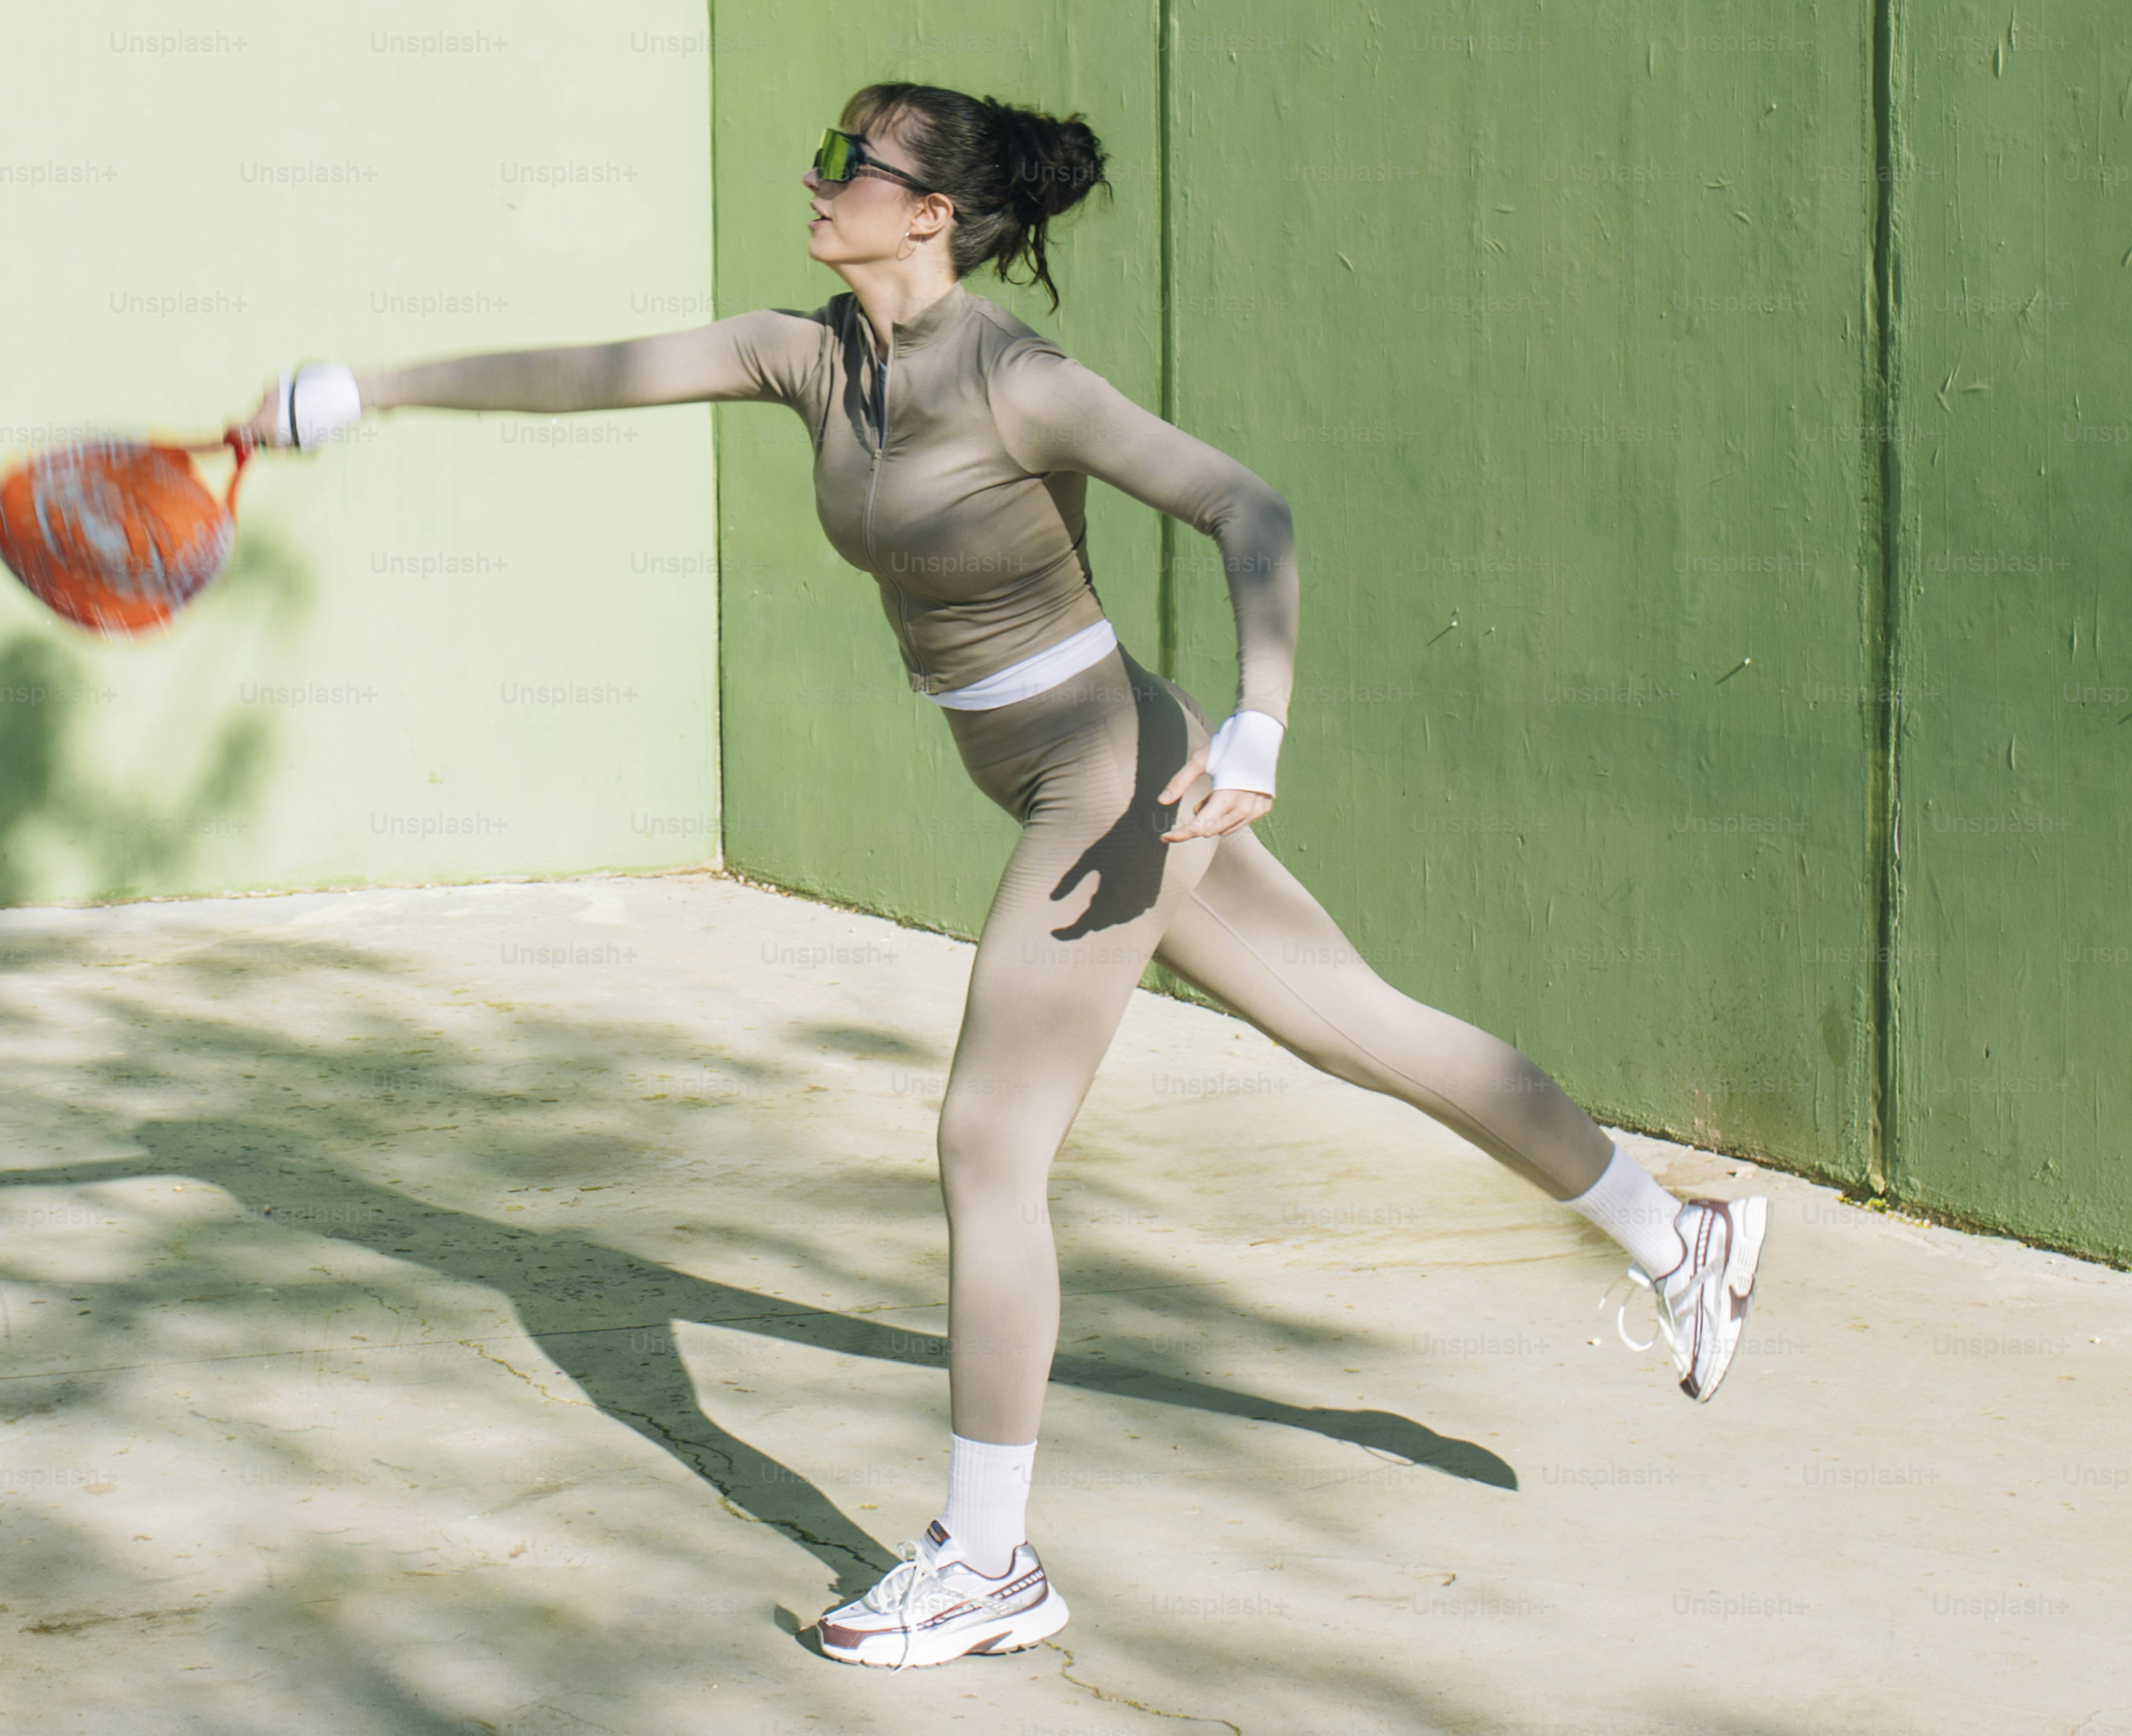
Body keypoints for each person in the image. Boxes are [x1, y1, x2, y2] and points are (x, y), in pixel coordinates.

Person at [239, 81, 1768, 1672]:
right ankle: (1681, 1239)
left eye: (855, 164)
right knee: (1366, 1029)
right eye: (825, 150)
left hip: (1107, 774)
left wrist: (1261, 719)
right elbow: (600, 373)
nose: (819, 178)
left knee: (988, 1143)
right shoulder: (809, 354)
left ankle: (986, 1563)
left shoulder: (1021, 382)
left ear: (933, 216)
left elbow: (1246, 504)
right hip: (1089, 762)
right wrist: (374, 390)